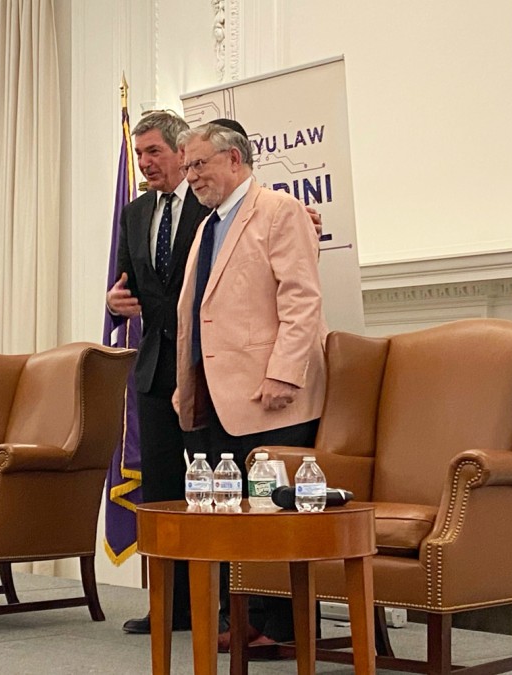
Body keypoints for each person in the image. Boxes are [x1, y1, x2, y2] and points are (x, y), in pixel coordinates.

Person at [174, 122, 327, 649]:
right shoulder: (207, 225)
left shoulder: (280, 210)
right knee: (228, 512)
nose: (190, 176)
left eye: (199, 164)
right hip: (213, 394)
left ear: (234, 159)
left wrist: (285, 370)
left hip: (269, 392)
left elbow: (302, 299)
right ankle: (241, 617)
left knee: (270, 513)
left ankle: (279, 629)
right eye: (188, 166)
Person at [107, 111, 210, 634]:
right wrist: (114, 300)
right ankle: (170, 606)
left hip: (207, 370)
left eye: (153, 152)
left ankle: (221, 606)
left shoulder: (210, 202)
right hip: (153, 371)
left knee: (214, 491)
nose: (144, 163)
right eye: (139, 152)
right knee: (164, 494)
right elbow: (128, 287)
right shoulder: (134, 213)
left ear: (178, 152)